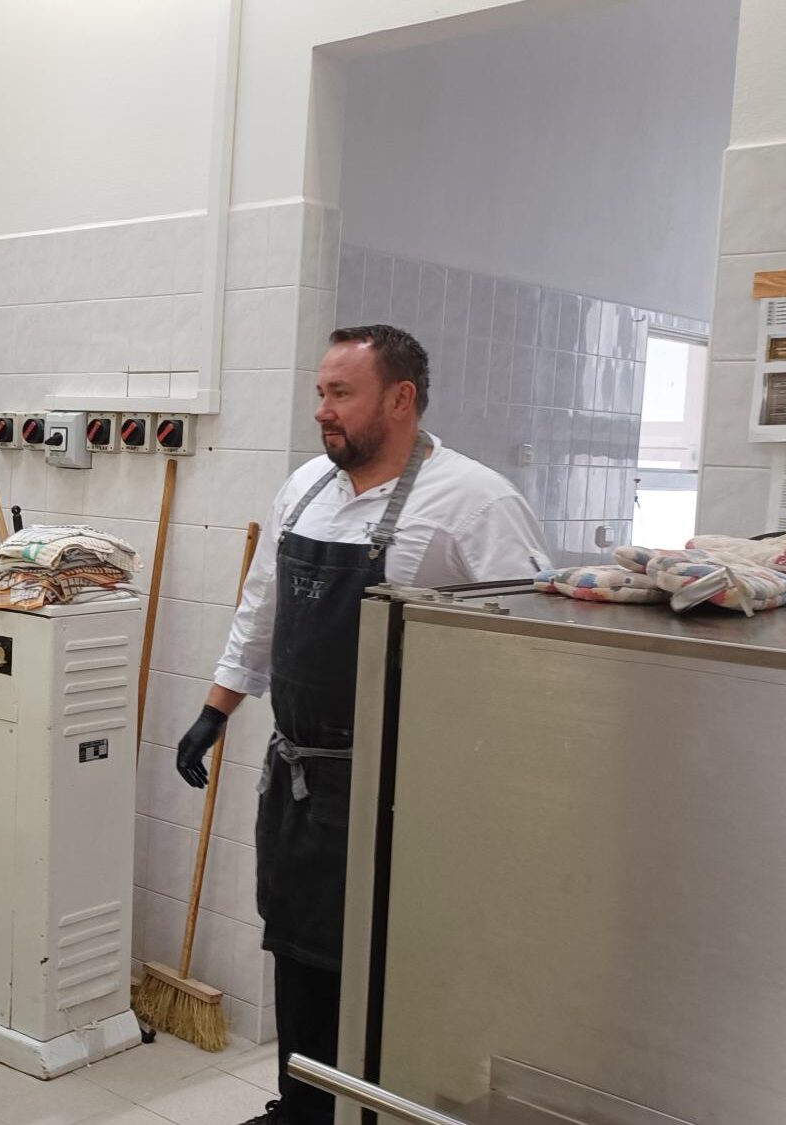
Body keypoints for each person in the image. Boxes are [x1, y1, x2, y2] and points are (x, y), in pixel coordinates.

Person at [175, 325, 550, 1125]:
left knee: (378, 964)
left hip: (401, 789)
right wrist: (216, 708)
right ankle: (301, 1109)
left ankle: (370, 1114)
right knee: (296, 948)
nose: (322, 410)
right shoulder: (306, 488)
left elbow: (531, 648)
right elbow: (262, 607)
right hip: (300, 775)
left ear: (401, 398)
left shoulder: (474, 501)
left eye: (340, 393)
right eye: (321, 392)